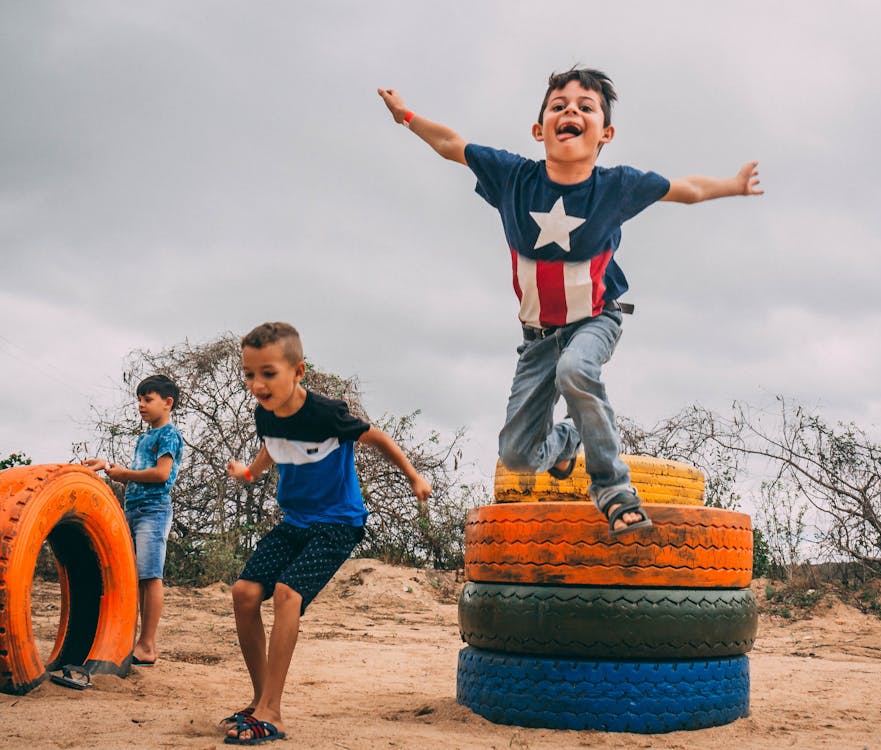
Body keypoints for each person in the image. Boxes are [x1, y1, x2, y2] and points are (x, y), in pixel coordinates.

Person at [378, 67, 762, 536]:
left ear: (606, 133)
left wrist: (734, 184)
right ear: (540, 129)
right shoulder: (513, 178)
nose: (570, 112)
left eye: (585, 107)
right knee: (518, 455)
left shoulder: (616, 187)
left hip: (597, 319)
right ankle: (565, 445)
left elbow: (688, 191)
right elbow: (450, 145)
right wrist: (407, 116)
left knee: (576, 371)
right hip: (537, 337)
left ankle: (614, 492)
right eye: (558, 105)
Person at [220, 321, 432, 745]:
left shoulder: (326, 413)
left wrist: (413, 476)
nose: (257, 384)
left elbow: (377, 438)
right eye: (249, 374)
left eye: (268, 373)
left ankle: (272, 714)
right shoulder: (265, 413)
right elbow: (272, 445)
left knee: (286, 595)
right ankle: (261, 700)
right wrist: (251, 471)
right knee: (243, 593)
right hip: (294, 522)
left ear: (298, 372)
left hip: (338, 524)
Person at [84, 374, 184, 667]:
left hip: (154, 511)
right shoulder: (145, 436)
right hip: (136, 510)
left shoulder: (169, 435)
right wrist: (107, 467)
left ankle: (148, 645)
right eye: (139, 399)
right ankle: (135, 641)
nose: (141, 405)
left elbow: (161, 475)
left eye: (147, 399)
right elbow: (137, 476)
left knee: (150, 576)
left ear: (167, 403)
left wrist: (124, 474)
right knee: (136, 577)